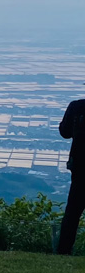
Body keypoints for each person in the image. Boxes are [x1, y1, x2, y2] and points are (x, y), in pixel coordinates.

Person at [56, 95, 85, 255]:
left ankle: (64, 249)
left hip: (80, 165)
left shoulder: (76, 106)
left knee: (73, 210)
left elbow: (64, 132)